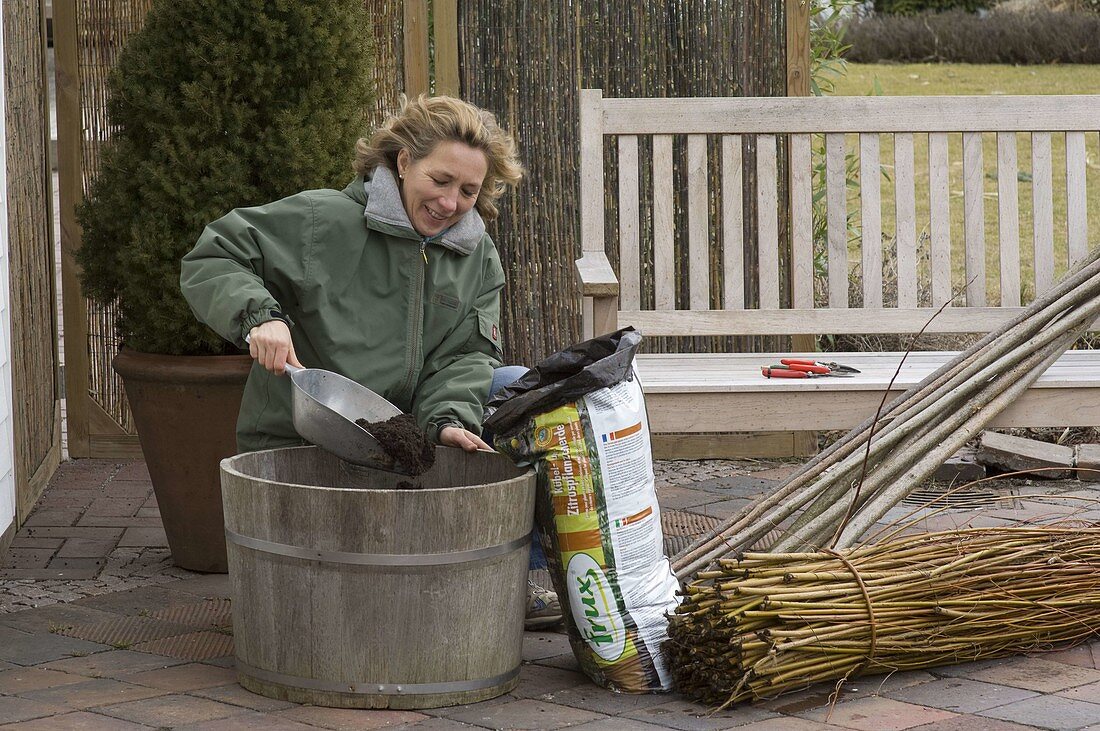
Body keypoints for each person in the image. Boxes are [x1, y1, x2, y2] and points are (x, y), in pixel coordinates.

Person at [179, 95, 560, 629]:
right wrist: (259, 317)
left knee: (528, 393)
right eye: (440, 180)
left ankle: (508, 578)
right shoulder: (322, 220)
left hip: (408, 434)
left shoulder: (477, 256)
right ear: (403, 162)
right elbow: (214, 254)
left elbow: (465, 356)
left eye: (468, 190)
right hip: (309, 432)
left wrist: (448, 422)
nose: (450, 202)